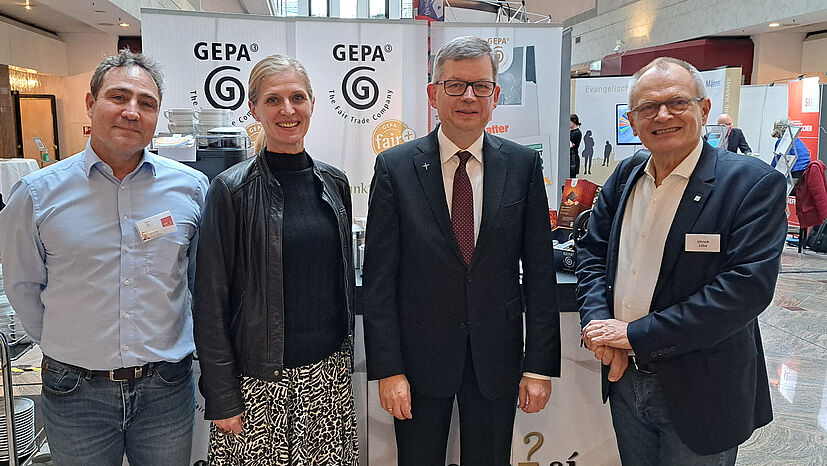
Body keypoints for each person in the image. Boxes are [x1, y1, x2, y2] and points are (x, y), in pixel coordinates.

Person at [0, 50, 209, 465]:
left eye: (146, 104)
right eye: (119, 97)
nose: (132, 112)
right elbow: (23, 287)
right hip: (75, 391)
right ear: (91, 104)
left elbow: (198, 281)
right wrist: (72, 345)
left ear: (157, 117)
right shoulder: (37, 194)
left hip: (166, 389)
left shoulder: (192, 188)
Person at [576, 57, 786, 465]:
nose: (663, 115)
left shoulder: (751, 184)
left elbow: (744, 290)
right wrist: (602, 328)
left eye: (677, 102)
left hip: (702, 390)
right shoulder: (626, 176)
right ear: (633, 121)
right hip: (625, 379)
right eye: (647, 108)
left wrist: (635, 334)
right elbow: (592, 253)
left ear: (704, 110)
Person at [362, 36, 560, 466]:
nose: (468, 96)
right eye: (455, 85)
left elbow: (540, 273)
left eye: (480, 86)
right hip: (418, 360)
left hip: (498, 357)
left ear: (495, 96)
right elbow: (379, 280)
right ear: (433, 93)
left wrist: (538, 366)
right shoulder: (395, 167)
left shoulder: (523, 165)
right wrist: (388, 369)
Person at [193, 54, 358, 464]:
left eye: (297, 97)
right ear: (253, 108)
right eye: (273, 100)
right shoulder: (230, 190)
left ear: (313, 103)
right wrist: (223, 396)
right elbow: (210, 301)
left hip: (329, 379)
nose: (288, 110)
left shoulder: (335, 184)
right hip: (258, 386)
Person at [772, 117, 811, 183]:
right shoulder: (796, 140)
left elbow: (777, 162)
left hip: (794, 174)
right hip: (804, 173)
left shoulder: (782, 142)